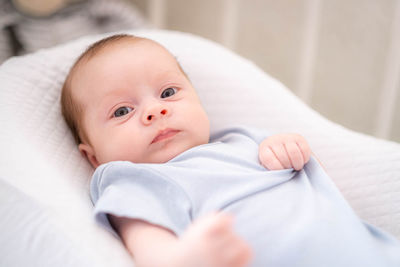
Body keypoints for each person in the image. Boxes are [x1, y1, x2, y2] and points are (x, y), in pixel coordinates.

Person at [61, 34, 400, 267]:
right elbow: (151, 250)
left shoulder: (244, 140)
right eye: (122, 111)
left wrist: (293, 149)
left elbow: (319, 182)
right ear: (93, 157)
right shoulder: (134, 179)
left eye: (167, 93)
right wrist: (185, 260)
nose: (155, 111)